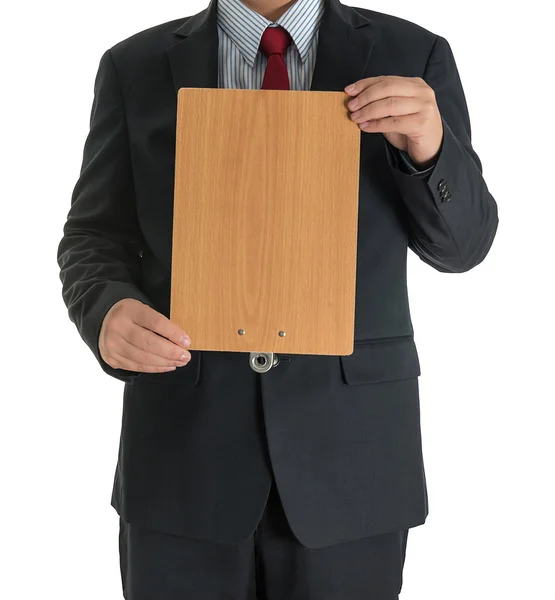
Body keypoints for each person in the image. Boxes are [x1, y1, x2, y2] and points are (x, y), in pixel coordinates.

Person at [56, 0, 499, 597]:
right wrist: (104, 308)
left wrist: (430, 145)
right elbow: (94, 234)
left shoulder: (412, 55)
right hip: (183, 461)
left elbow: (464, 247)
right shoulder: (134, 64)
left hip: (351, 463)